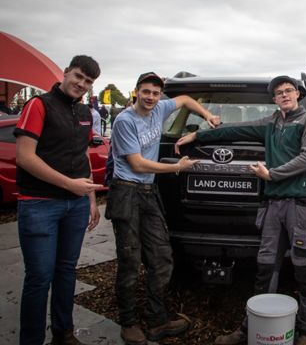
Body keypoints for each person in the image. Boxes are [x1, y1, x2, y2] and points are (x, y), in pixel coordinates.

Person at [175, 75, 306, 345]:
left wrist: (272, 174)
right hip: (273, 208)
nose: (284, 95)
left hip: (302, 207)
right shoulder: (271, 123)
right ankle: (249, 328)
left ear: (298, 94)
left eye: (289, 90)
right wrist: (198, 133)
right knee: (266, 268)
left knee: (304, 268)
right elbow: (235, 130)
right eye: (279, 93)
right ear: (274, 99)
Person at [107, 72, 220, 345]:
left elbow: (184, 99)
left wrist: (207, 115)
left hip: (148, 193)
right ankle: (129, 322)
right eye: (145, 92)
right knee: (130, 260)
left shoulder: (160, 108)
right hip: (126, 192)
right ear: (136, 92)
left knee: (161, 257)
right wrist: (176, 167)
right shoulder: (125, 121)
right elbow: (137, 164)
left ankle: (157, 320)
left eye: (156, 93)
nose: (150, 97)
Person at [14, 55, 103, 345]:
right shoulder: (38, 105)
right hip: (39, 203)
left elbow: (83, 158)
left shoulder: (86, 113)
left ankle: (63, 333)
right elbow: (25, 157)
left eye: (88, 82)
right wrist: (70, 185)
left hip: (76, 206)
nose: (81, 84)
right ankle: (31, 340)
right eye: (78, 76)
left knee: (66, 270)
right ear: (66, 73)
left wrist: (89, 198)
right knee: (39, 277)